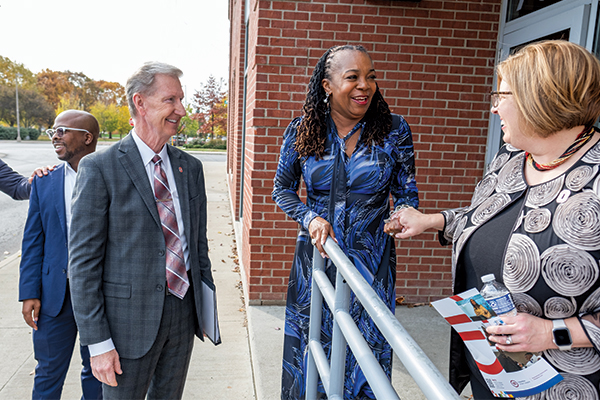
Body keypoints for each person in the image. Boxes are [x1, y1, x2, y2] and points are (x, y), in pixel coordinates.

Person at [386, 40, 600, 398]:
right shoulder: (513, 157)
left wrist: (552, 332)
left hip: (564, 386)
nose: (493, 108)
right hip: (490, 371)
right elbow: (491, 219)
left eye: (501, 95)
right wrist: (433, 221)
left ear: (540, 98)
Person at [272, 44, 419, 400]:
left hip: (372, 265)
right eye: (352, 77)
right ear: (327, 85)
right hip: (318, 264)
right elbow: (282, 190)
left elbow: (407, 193)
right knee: (314, 352)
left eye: (370, 77)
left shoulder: (394, 130)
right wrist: (309, 217)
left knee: (366, 353)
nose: (364, 86)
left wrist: (402, 215)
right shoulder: (302, 130)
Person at [68, 62, 214, 400]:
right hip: (126, 327)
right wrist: (98, 342)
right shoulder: (99, 168)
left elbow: (198, 246)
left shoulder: (190, 168)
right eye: (171, 100)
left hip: (181, 316)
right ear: (141, 103)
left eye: (181, 99)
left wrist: (205, 310)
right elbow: (83, 266)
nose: (181, 109)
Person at [19, 110, 102, 399]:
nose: (55, 136)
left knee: (98, 374)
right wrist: (29, 292)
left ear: (86, 138)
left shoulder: (112, 176)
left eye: (63, 130)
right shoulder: (45, 181)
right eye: (53, 130)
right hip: (54, 297)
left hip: (102, 297)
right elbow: (33, 241)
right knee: (47, 374)